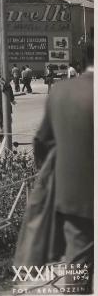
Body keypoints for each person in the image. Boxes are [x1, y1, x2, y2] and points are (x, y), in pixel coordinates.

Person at [31, 44, 93, 276]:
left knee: (77, 268)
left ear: (83, 60)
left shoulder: (60, 91)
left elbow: (42, 143)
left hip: (76, 198)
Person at [0, 77, 15, 142]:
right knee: (8, 122)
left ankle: (4, 138)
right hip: (5, 106)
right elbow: (11, 95)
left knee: (1, 122)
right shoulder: (7, 85)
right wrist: (12, 100)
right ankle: (0, 134)